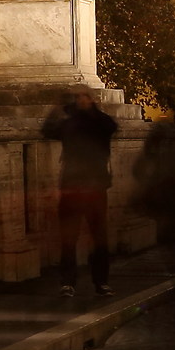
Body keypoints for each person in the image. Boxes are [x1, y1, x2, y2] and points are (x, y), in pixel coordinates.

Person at [43, 87, 118, 294]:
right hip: (74, 187)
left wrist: (65, 108)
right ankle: (69, 281)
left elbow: (111, 126)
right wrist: (59, 108)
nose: (82, 101)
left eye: (85, 97)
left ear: (91, 101)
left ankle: (100, 281)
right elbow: (48, 130)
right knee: (69, 238)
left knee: (99, 238)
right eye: (79, 98)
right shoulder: (72, 123)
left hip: (92, 187)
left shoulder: (97, 123)